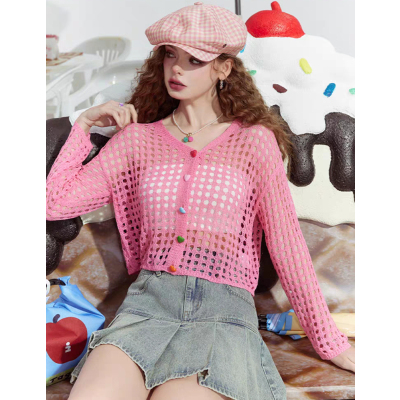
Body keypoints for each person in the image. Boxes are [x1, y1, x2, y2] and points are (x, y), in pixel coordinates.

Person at [46, 3, 355, 400]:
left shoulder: (253, 142)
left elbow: (287, 245)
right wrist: (83, 126)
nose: (176, 69)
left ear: (223, 68)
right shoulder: (137, 140)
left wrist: (330, 342)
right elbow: (56, 203)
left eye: (194, 60)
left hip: (222, 315)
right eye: (170, 55)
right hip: (145, 309)